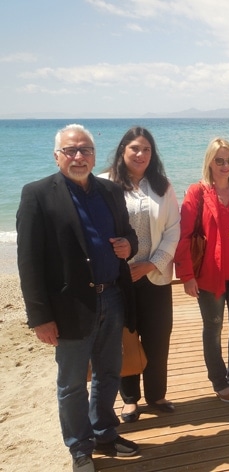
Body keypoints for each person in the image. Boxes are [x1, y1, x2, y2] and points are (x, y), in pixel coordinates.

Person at [16, 124, 140, 472]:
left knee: (109, 372)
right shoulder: (37, 194)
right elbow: (29, 262)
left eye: (85, 149)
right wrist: (40, 317)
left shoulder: (110, 191)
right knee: (71, 384)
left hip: (112, 296)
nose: (78, 156)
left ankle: (105, 433)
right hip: (69, 307)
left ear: (94, 155)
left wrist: (130, 246)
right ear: (57, 156)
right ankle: (80, 448)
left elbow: (128, 235)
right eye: (70, 150)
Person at [174, 138, 229, 403]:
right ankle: (219, 380)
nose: (225, 165)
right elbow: (184, 236)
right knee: (213, 329)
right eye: (219, 160)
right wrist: (187, 276)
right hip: (210, 277)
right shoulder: (197, 192)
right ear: (210, 162)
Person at [101, 126, 180, 422]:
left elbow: (173, 230)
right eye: (135, 148)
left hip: (155, 275)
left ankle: (157, 395)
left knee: (158, 337)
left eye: (146, 149)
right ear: (123, 150)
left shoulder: (162, 186)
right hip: (118, 279)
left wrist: (151, 263)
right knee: (125, 338)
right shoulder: (104, 184)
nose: (141, 154)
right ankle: (130, 399)